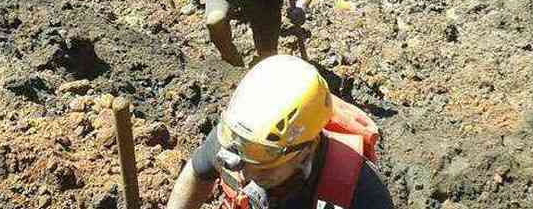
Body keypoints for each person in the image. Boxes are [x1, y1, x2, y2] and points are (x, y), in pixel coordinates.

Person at [166, 55, 394, 209]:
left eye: (263, 170)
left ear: (305, 151)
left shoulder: (363, 194)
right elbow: (197, 172)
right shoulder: (240, 139)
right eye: (242, 163)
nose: (245, 175)